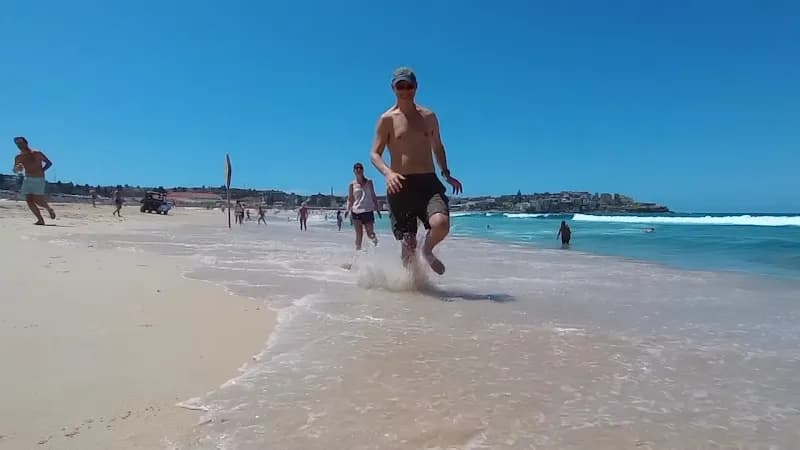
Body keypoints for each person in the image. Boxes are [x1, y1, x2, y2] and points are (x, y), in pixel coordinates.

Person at [369, 67, 463, 275]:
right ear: (393, 88)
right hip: (400, 185)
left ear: (416, 87)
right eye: (400, 86)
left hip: (428, 183)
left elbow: (437, 146)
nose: (405, 90)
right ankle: (411, 291)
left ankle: (427, 250)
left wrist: (446, 173)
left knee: (441, 223)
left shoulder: (429, 116)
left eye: (408, 86)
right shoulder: (387, 119)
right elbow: (374, 154)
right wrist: (388, 173)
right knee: (408, 242)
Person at [12, 136, 56, 225]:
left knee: (38, 200)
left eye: (21, 143)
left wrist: (42, 170)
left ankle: (48, 208)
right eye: (17, 144)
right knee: (29, 200)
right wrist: (17, 168)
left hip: (39, 179)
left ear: (26, 142)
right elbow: (15, 170)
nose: (19, 145)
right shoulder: (18, 157)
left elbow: (49, 163)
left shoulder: (37, 153)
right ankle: (40, 219)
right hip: (27, 178)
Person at [346, 162, 382, 250]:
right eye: (356, 168)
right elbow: (350, 198)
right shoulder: (352, 184)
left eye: (360, 168)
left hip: (368, 211)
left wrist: (377, 209)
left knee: (370, 233)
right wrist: (347, 210)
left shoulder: (369, 182)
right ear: (354, 171)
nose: (358, 169)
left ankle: (376, 245)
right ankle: (357, 254)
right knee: (359, 234)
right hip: (356, 211)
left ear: (363, 170)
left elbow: (373, 195)